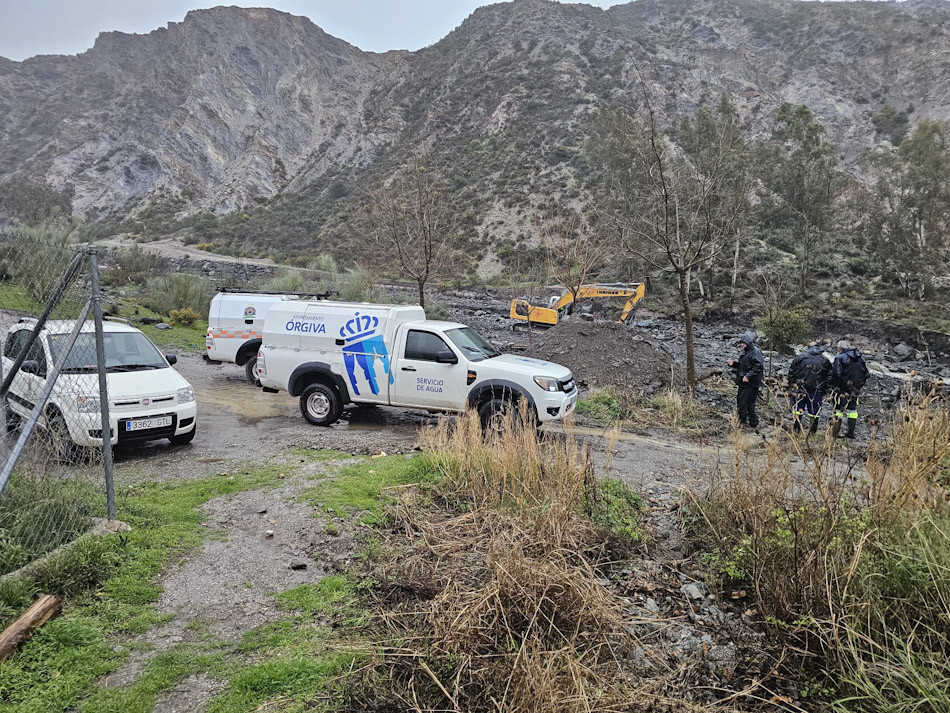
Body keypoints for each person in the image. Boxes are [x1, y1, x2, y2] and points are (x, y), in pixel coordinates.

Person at [828, 340, 870, 439]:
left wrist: (834, 386)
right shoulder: (860, 357)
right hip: (855, 388)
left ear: (839, 348)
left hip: (842, 389)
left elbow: (836, 373)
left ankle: (835, 433)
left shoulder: (839, 357)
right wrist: (859, 386)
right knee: (852, 410)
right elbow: (866, 374)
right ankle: (851, 433)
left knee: (838, 409)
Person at [787, 341, 831, 434]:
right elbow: (829, 375)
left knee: (798, 408)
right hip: (817, 389)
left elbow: (792, 372)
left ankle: (796, 430)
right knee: (814, 411)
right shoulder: (824, 359)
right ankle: (812, 432)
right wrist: (825, 388)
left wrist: (791, 385)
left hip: (800, 387)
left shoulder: (800, 357)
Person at [728, 331, 764, 429]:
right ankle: (753, 422)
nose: (742, 345)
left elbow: (758, 366)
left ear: (748, 343)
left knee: (742, 402)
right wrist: (733, 364)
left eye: (744, 343)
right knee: (749, 403)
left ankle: (742, 421)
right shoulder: (747, 352)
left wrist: (748, 376)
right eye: (742, 343)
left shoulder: (755, 352)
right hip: (747, 382)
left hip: (750, 383)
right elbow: (743, 366)